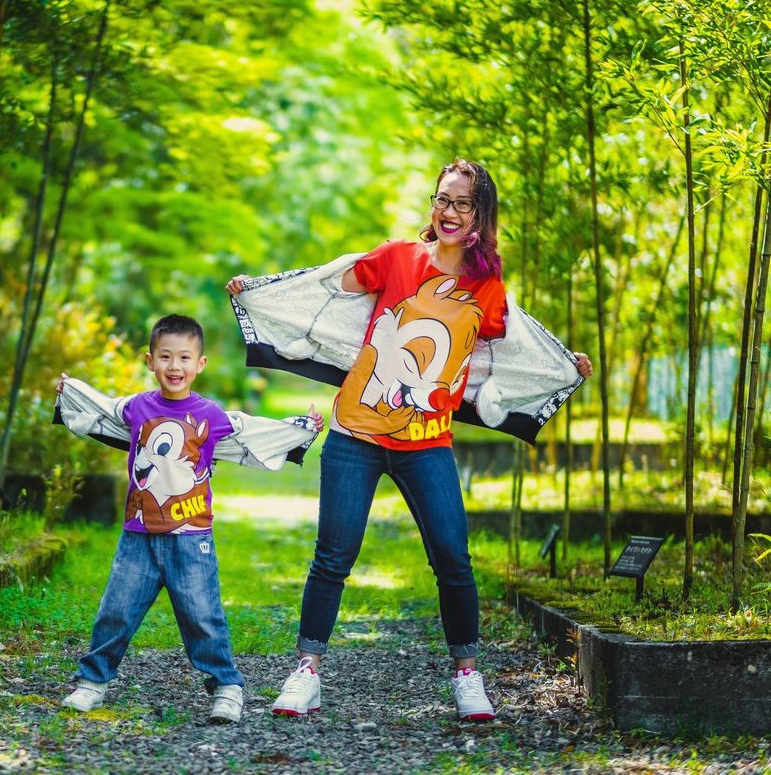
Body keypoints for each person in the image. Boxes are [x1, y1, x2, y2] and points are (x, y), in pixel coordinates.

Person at [225, 159, 593, 721]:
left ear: (480, 216)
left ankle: (468, 677)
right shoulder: (397, 257)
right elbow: (324, 287)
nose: (448, 211)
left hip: (427, 442)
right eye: (442, 199)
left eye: (462, 203)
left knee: (453, 559)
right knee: (333, 557)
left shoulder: (488, 287)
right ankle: (306, 672)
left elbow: (510, 346)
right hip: (356, 433)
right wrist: (261, 292)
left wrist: (563, 366)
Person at [55, 313, 324, 723]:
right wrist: (71, 392)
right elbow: (103, 410)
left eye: (184, 358)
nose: (174, 366)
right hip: (137, 536)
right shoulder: (137, 407)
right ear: (150, 361)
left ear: (200, 364)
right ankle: (92, 682)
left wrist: (300, 427)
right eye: (165, 357)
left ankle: (227, 687)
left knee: (202, 617)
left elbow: (250, 433)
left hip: (190, 537)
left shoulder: (210, 414)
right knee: (116, 611)